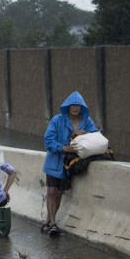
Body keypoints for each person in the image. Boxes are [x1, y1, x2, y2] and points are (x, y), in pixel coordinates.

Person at [42, 91, 98, 237]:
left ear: (82, 108)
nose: (75, 108)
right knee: (51, 192)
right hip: (54, 163)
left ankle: (47, 222)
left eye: (78, 106)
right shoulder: (57, 120)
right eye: (72, 105)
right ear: (67, 107)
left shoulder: (87, 122)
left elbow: (95, 138)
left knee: (59, 193)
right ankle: (54, 224)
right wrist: (63, 147)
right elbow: (48, 141)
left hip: (70, 164)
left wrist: (84, 135)